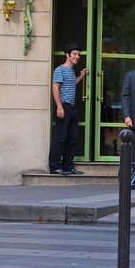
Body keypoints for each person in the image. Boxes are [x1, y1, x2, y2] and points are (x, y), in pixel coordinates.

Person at [48, 43, 87, 175]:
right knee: (60, 138)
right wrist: (59, 107)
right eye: (75, 54)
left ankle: (68, 167)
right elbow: (55, 88)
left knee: (73, 139)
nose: (77, 57)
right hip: (63, 106)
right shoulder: (60, 70)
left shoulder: (71, 71)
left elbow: (72, 83)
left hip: (71, 108)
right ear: (67, 55)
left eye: (78, 54)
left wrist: (81, 76)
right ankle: (54, 166)